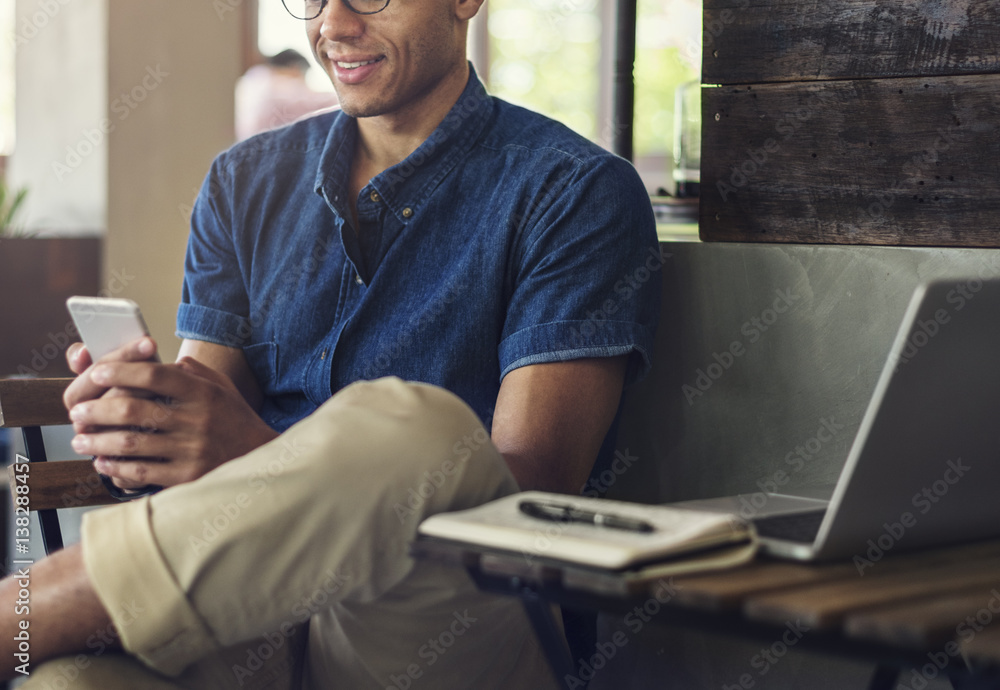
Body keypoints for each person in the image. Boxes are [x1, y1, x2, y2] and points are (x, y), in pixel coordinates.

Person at [0, 0, 661, 686]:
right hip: (255, 615)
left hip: (448, 620)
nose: (333, 25)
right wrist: (148, 425)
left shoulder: (575, 192)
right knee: (70, 683)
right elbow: (205, 433)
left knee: (419, 433)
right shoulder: (242, 182)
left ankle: (12, 617)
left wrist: (254, 450)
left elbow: (526, 498)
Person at [235, 48, 339, 141]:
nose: (303, 82)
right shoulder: (278, 86)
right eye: (304, 75)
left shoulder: (252, 78)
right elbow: (318, 102)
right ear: (295, 68)